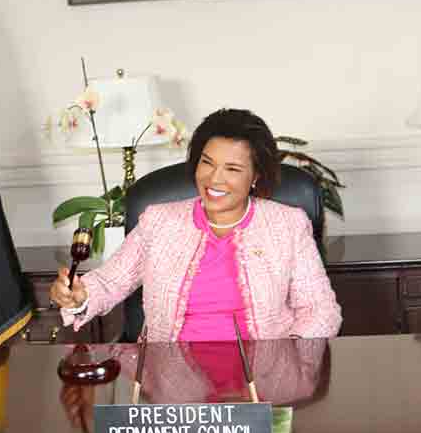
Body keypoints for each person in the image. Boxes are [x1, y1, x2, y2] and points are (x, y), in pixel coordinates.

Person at [49, 108, 342, 341]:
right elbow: (108, 282)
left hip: (261, 382)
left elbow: (321, 310)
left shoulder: (287, 225)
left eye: (233, 169)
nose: (214, 179)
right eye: (207, 163)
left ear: (255, 177)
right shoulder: (159, 222)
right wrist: (78, 295)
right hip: (172, 382)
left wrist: (284, 357)